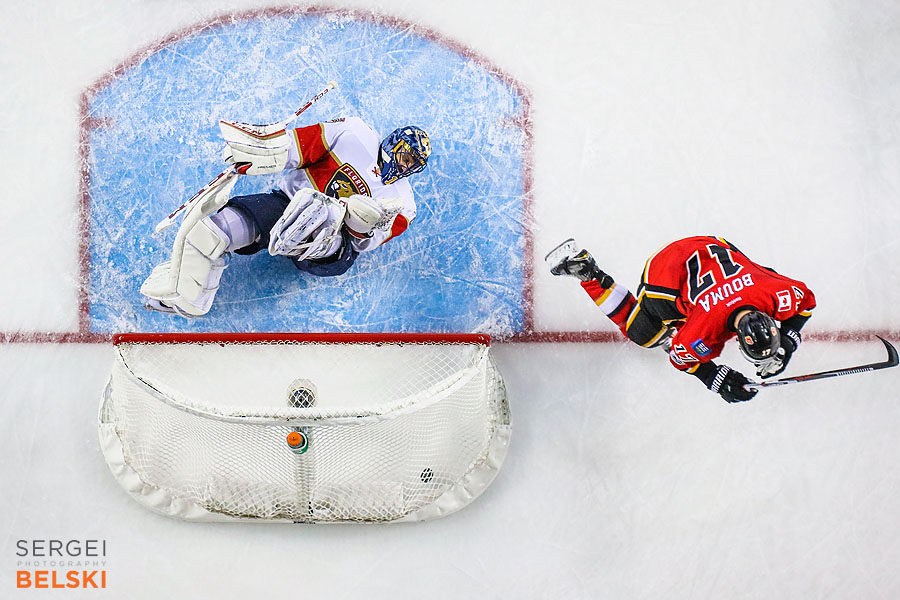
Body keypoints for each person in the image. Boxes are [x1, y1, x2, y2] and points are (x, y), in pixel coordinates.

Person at [140, 117, 431, 317]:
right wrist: (264, 153)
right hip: (286, 206)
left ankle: (303, 233)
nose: (405, 166)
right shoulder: (354, 133)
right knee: (216, 230)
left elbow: (363, 245)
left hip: (331, 246)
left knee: (322, 212)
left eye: (412, 165)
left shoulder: (404, 203)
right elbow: (299, 147)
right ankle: (188, 297)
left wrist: (358, 225)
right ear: (395, 143)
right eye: (405, 157)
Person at [549, 236, 816, 403]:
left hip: (709, 245)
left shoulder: (775, 294)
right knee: (645, 334)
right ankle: (590, 274)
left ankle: (679, 317)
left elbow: (806, 302)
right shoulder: (705, 328)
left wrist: (788, 341)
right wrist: (714, 377)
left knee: (759, 271)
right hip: (665, 271)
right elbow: (680, 358)